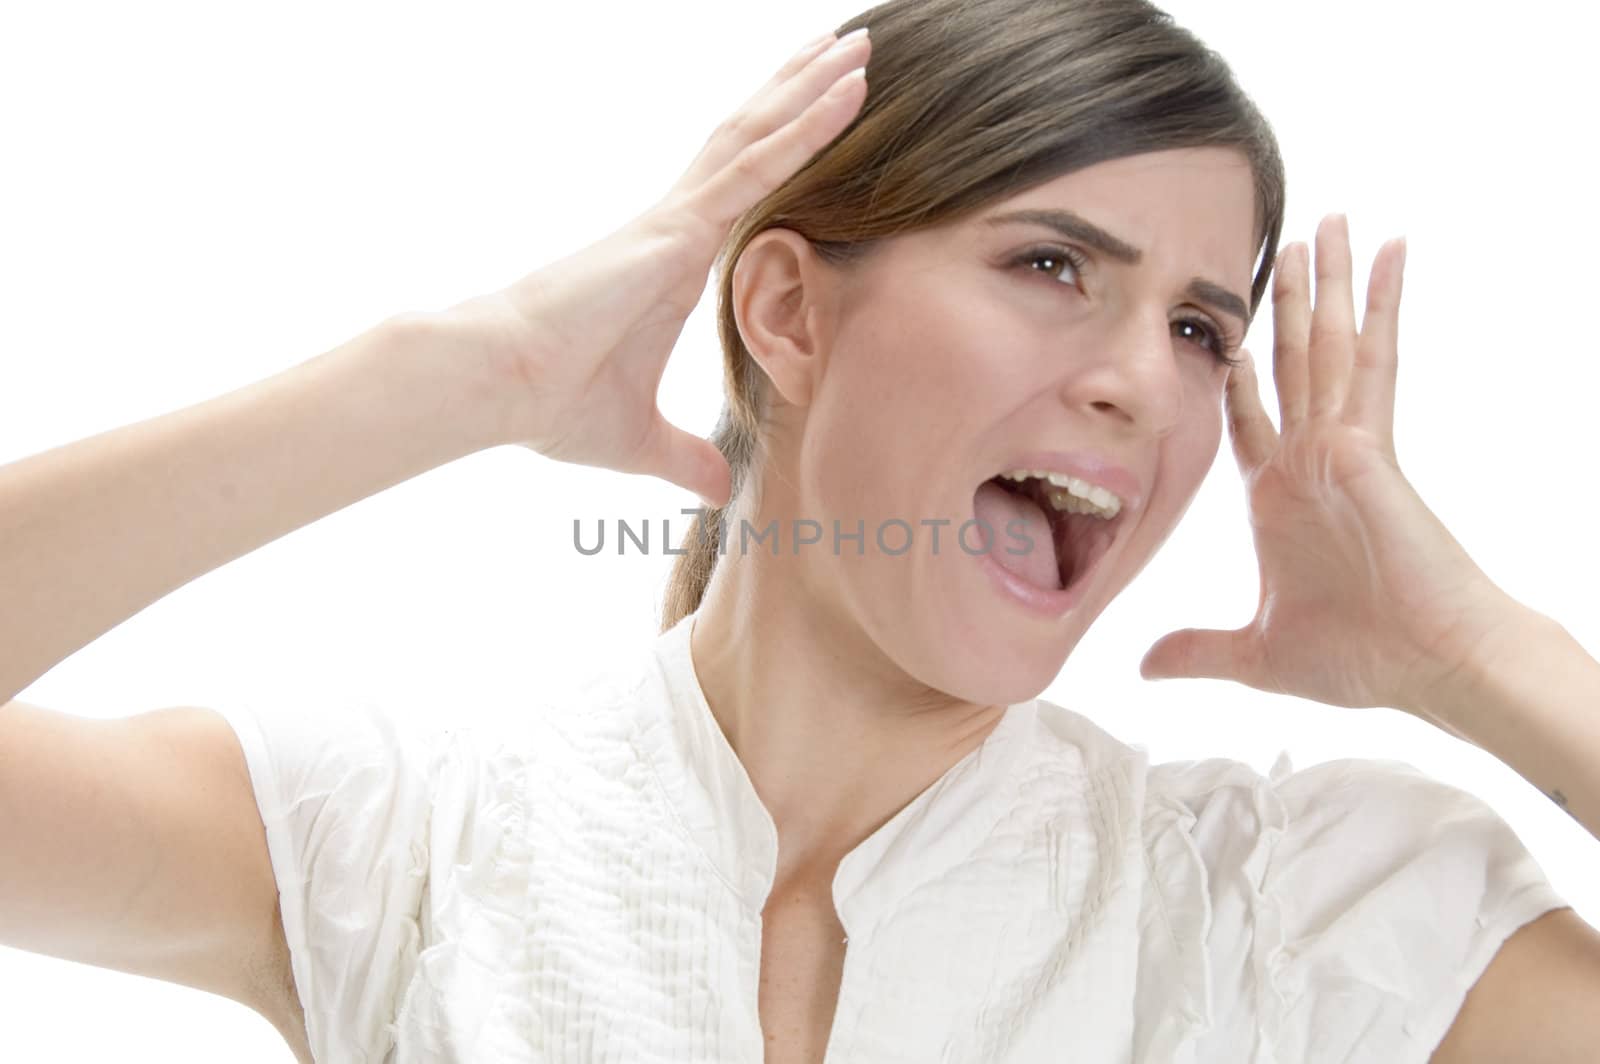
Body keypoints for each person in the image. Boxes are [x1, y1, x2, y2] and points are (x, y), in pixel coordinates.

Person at [2, 0, 1597, 1061]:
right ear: (784, 309)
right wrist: (457, 382)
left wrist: (1476, 656)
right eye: (1052, 265)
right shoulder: (408, 836)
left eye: (1199, 326)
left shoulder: (1302, 910)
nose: (1140, 385)